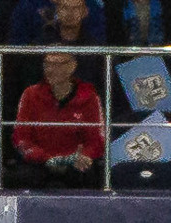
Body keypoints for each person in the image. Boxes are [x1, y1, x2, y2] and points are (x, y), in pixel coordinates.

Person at [8, 47, 104, 188]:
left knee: (89, 175)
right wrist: (46, 159)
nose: (51, 70)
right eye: (47, 64)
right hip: (39, 164)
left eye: (58, 65)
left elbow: (96, 140)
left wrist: (82, 157)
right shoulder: (30, 94)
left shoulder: (89, 97)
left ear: (72, 66)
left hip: (76, 164)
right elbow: (20, 137)